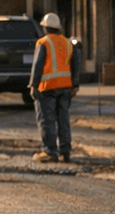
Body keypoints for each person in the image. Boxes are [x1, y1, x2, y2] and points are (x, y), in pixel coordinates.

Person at [30, 12, 79, 162]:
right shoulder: (68, 43)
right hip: (65, 88)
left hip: (47, 88)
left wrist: (33, 85)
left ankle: (50, 151)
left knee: (47, 120)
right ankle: (65, 151)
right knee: (63, 119)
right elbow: (75, 65)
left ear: (45, 28)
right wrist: (75, 85)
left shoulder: (43, 42)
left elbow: (37, 66)